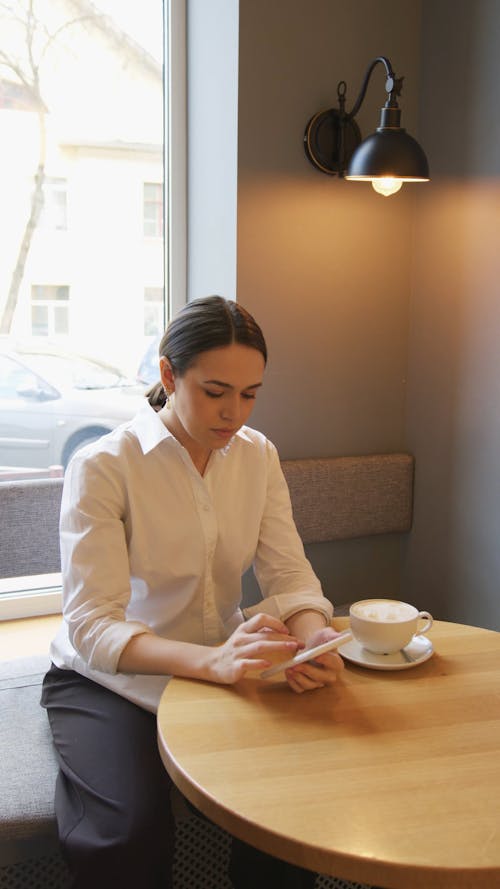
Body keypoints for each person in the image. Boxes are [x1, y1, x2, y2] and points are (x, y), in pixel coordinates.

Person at [41, 295, 344, 889]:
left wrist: (314, 639)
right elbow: (94, 625)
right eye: (215, 391)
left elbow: (288, 573)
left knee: (288, 808)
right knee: (127, 834)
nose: (234, 412)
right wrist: (213, 663)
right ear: (168, 374)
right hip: (110, 679)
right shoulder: (104, 466)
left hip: (221, 663)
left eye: (251, 393)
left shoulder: (258, 456)